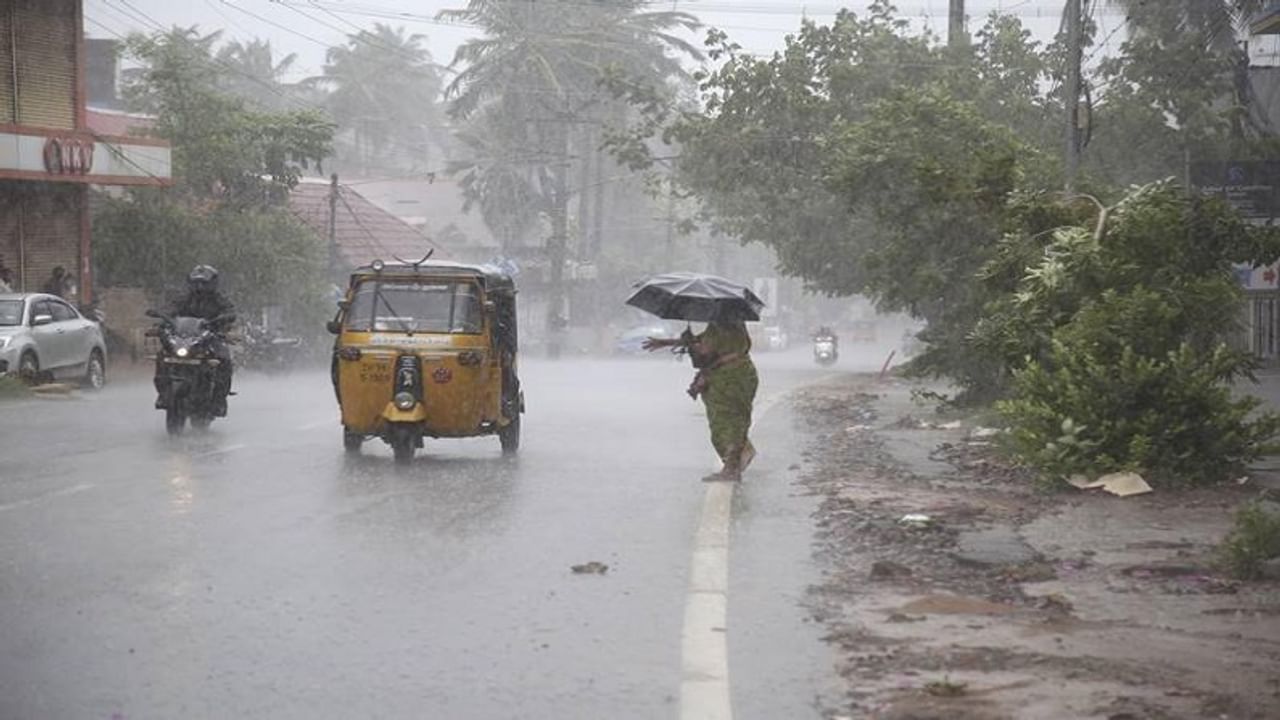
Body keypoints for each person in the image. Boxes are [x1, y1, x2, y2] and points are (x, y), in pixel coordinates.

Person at [644, 316, 759, 482]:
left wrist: (688, 343)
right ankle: (735, 460)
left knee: (724, 423)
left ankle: (732, 466)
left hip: (729, 378)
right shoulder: (735, 324)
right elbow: (705, 343)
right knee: (736, 420)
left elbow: (705, 349)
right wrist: (669, 342)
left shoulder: (721, 326)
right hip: (742, 375)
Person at [155, 265, 236, 414]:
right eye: (196, 283)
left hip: (210, 337)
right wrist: (163, 318)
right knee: (163, 356)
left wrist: (224, 318)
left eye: (204, 283)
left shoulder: (218, 299)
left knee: (224, 359)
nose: (200, 287)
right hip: (185, 338)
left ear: (212, 284)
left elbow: (230, 311)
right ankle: (163, 394)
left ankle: (219, 400)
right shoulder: (184, 299)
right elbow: (171, 309)